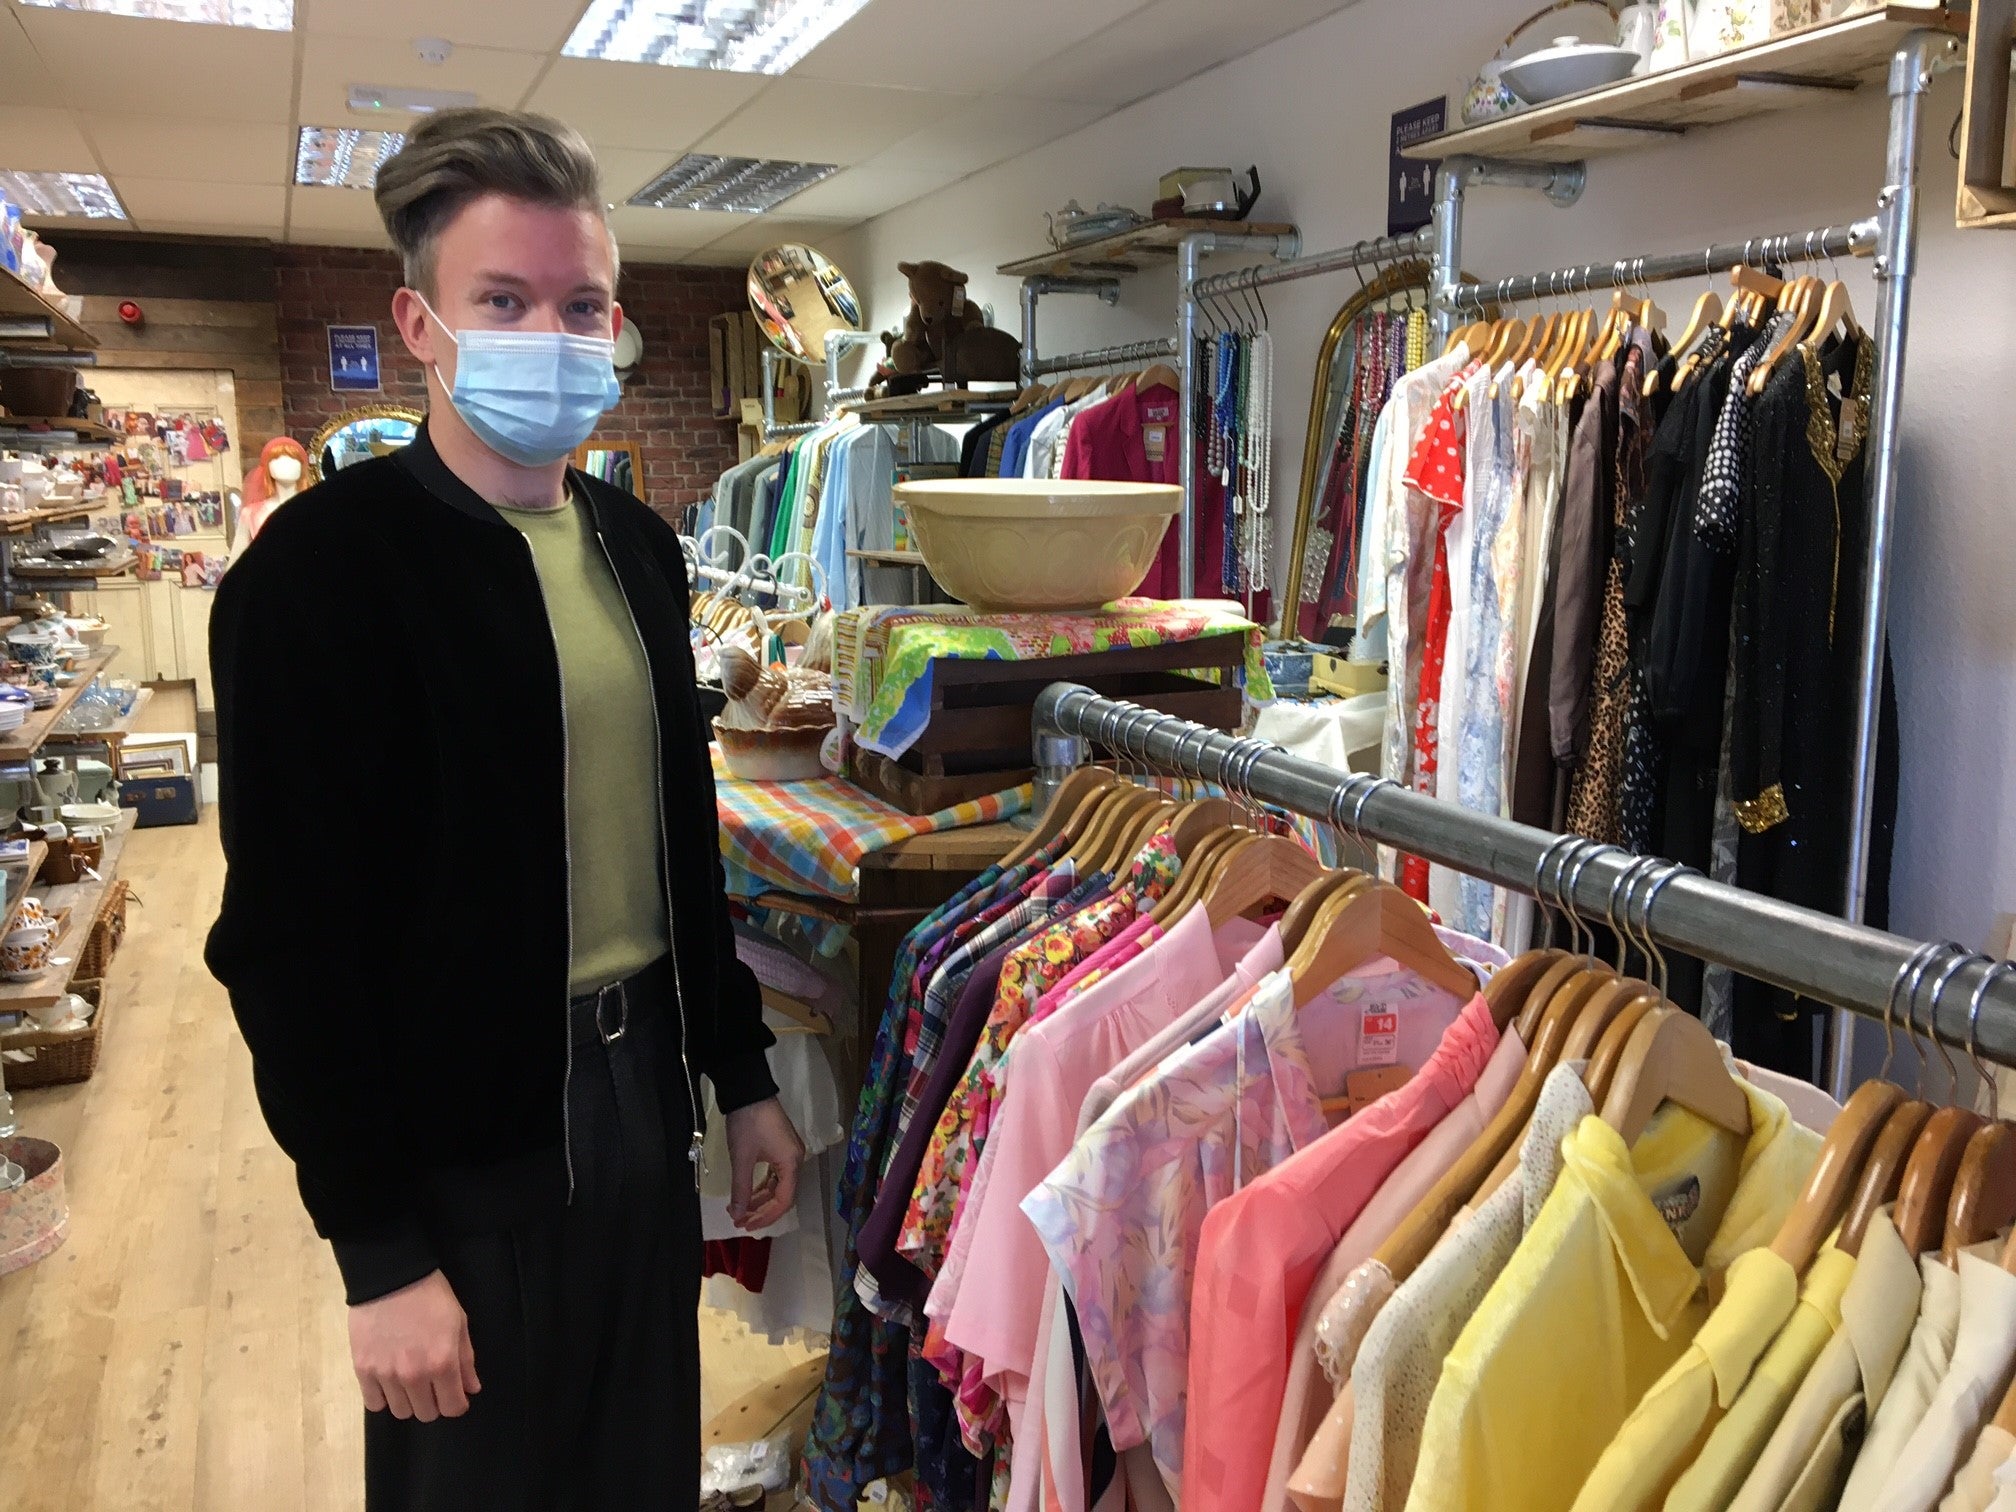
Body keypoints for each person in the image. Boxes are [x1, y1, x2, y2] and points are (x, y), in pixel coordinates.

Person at [205, 108, 805, 1511]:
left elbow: (677, 847)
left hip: (641, 1101)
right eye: (505, 301)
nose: (553, 332)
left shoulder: (639, 551)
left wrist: (744, 1074)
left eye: (581, 304)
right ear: (421, 322)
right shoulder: (317, 581)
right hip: (456, 1130)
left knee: (638, 1462)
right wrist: (376, 1251)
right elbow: (287, 948)